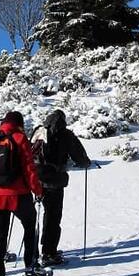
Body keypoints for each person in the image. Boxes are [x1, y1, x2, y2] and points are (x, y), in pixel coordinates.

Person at [0, 111, 47, 276]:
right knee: (30, 224)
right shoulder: (19, 138)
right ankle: (31, 263)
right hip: (16, 193)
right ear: (19, 123)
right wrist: (38, 190)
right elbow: (29, 168)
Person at [33, 109, 90, 266]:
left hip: (37, 180)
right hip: (55, 181)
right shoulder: (65, 134)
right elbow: (79, 156)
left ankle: (36, 251)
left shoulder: (39, 131)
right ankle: (49, 252)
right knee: (53, 216)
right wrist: (85, 163)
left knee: (43, 215)